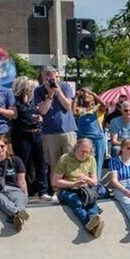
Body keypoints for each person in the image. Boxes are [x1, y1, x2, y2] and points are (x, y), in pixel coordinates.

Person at [34, 66, 77, 200]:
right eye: (47, 75)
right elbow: (43, 111)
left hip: (68, 130)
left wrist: (58, 91)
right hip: (50, 132)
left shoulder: (65, 86)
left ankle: (72, 189)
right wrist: (50, 95)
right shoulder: (38, 91)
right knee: (54, 163)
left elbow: (68, 106)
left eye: (53, 75)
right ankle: (57, 191)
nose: (50, 78)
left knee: (71, 161)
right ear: (42, 77)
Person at [54, 138, 104, 237]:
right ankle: (89, 223)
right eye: (82, 151)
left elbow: (94, 182)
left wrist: (86, 178)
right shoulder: (65, 158)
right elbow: (55, 181)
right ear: (76, 148)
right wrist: (73, 184)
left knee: (90, 200)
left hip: (84, 188)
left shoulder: (91, 159)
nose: (84, 154)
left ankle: (94, 222)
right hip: (66, 189)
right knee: (76, 202)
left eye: (87, 152)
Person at [0, 133, 30, 231]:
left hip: (13, 189)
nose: (0, 149)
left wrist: (25, 196)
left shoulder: (16, 161)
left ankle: (16, 217)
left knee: (19, 198)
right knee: (0, 198)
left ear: (7, 146)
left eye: (2, 146)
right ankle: (18, 213)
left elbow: (22, 181)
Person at [11, 76, 47, 200]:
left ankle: (42, 190)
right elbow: (15, 115)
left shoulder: (35, 100)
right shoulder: (16, 100)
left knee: (40, 162)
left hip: (37, 132)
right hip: (22, 134)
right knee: (23, 163)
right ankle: (23, 189)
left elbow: (43, 112)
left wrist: (41, 118)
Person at [74, 88, 107, 172]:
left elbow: (104, 105)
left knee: (97, 162)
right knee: (82, 161)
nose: (86, 95)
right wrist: (77, 96)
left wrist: (93, 94)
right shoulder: (81, 110)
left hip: (98, 139)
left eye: (88, 94)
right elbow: (73, 111)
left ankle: (96, 182)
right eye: (84, 93)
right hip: (83, 139)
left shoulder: (98, 109)